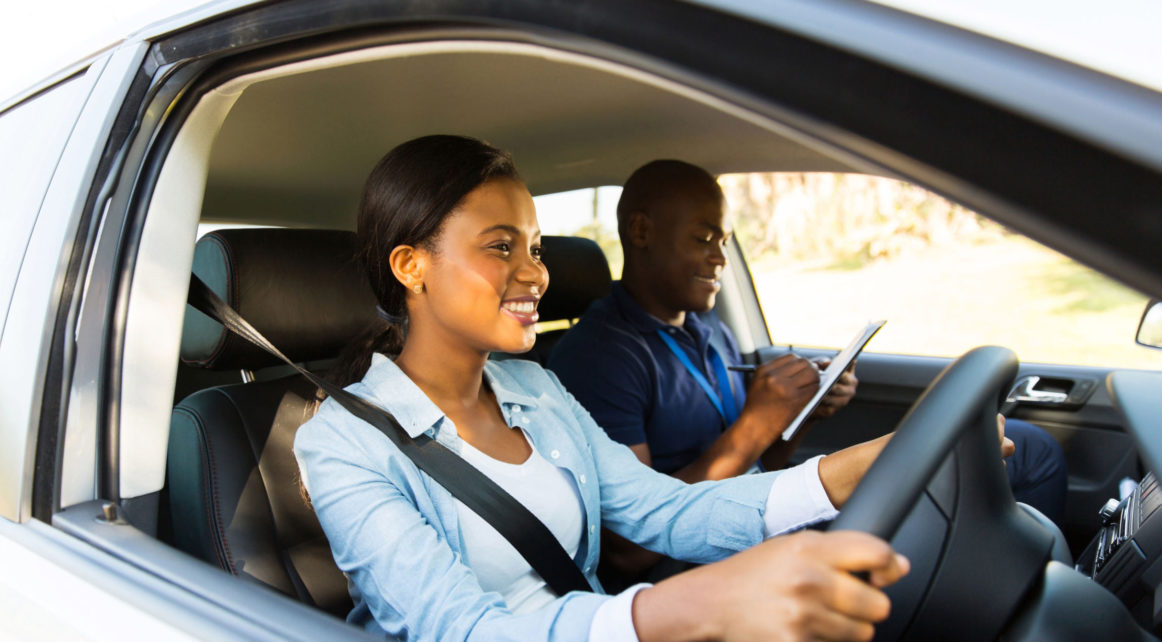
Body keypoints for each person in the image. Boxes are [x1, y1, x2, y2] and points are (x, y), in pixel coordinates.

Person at [293, 135, 910, 641]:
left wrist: (866, 466)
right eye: (501, 246)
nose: (536, 273)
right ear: (411, 266)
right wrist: (697, 605)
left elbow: (666, 509)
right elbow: (461, 630)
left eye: (535, 248)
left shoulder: (535, 390)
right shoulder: (343, 444)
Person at [546, 159, 1068, 583]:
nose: (720, 259)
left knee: (1029, 448)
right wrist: (754, 425)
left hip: (758, 510)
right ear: (641, 231)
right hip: (688, 562)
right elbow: (631, 549)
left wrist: (801, 416)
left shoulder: (709, 332)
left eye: (725, 241)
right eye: (704, 238)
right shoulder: (598, 356)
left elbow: (761, 467)